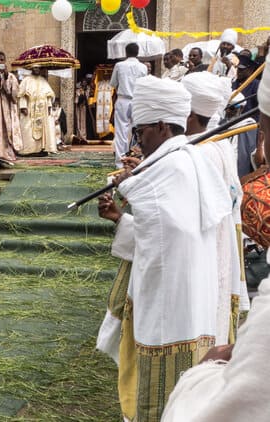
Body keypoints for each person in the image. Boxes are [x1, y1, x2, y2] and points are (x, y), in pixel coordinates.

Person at [97, 75, 233, 422]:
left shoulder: (171, 167)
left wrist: (131, 192)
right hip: (193, 294)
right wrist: (121, 217)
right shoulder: (189, 158)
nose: (138, 141)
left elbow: (166, 231)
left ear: (160, 125)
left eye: (141, 132)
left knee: (163, 401)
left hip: (170, 303)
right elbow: (164, 228)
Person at [161, 58, 270, 422]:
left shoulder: (196, 154)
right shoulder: (217, 147)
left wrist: (203, 374)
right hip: (218, 248)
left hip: (202, 253)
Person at [181, 71, 247, 348]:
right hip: (220, 234)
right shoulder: (215, 143)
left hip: (207, 236)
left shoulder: (203, 150)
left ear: (189, 114)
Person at [110, 43, 148, 168]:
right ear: (137, 53)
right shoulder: (143, 67)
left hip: (123, 99)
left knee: (121, 131)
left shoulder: (119, 65)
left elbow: (113, 83)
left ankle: (121, 162)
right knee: (139, 130)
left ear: (126, 52)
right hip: (137, 100)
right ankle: (137, 157)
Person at [18, 65, 57, 155]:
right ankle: (28, 150)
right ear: (31, 68)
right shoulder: (26, 80)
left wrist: (49, 106)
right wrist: (23, 107)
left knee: (43, 128)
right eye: (35, 67)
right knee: (27, 129)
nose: (37, 69)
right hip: (29, 109)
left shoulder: (43, 81)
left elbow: (48, 97)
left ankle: (41, 149)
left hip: (42, 110)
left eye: (39, 68)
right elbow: (22, 96)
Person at [224, 93, 258, 177]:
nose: (228, 111)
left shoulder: (249, 126)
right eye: (226, 107)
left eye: (232, 108)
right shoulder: (220, 124)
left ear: (241, 108)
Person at [233, 55, 260, 121]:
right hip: (231, 121)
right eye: (238, 69)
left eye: (242, 69)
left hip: (248, 123)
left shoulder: (257, 85)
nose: (238, 71)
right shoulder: (233, 82)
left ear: (250, 70)